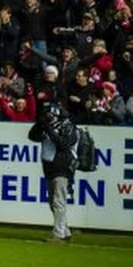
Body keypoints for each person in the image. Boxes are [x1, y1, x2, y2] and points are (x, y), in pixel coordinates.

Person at [28, 101, 79, 244]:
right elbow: (32, 136)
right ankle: (65, 231)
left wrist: (49, 128)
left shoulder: (68, 127)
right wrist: (40, 123)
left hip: (62, 167)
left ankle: (58, 234)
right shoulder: (47, 125)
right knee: (53, 202)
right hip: (50, 167)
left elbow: (64, 144)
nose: (48, 115)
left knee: (58, 201)